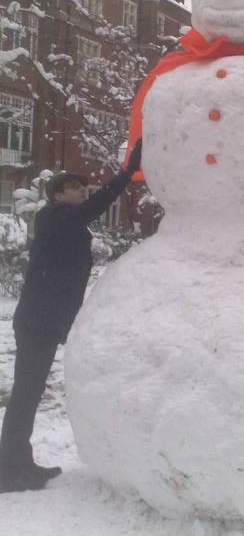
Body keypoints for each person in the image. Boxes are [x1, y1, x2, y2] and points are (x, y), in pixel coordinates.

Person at [0, 139, 142, 494]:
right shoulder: (55, 217)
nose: (82, 190)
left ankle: (21, 461)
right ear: (58, 196)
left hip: (45, 321)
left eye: (82, 185)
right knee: (25, 394)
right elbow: (95, 205)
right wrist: (126, 173)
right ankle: (6, 471)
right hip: (37, 321)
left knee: (29, 393)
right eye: (74, 187)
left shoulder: (65, 222)